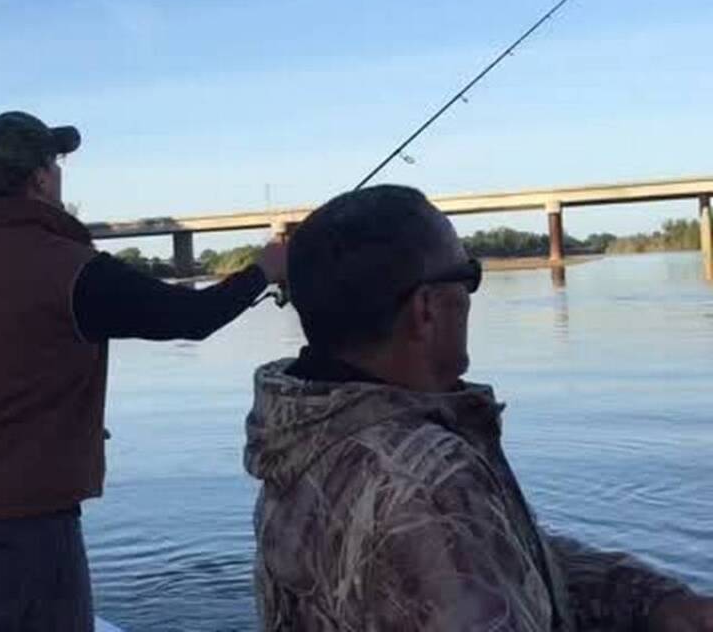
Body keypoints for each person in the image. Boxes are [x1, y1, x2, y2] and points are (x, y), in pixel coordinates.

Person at [244, 184, 713, 631]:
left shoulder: (303, 436)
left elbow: (490, 560)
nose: (469, 296)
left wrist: (651, 601)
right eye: (468, 275)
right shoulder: (426, 484)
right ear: (426, 308)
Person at [0, 110, 287, 632]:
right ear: (41, 178)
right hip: (33, 543)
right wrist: (264, 269)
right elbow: (191, 317)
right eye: (55, 163)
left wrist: (45, 424)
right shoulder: (73, 270)